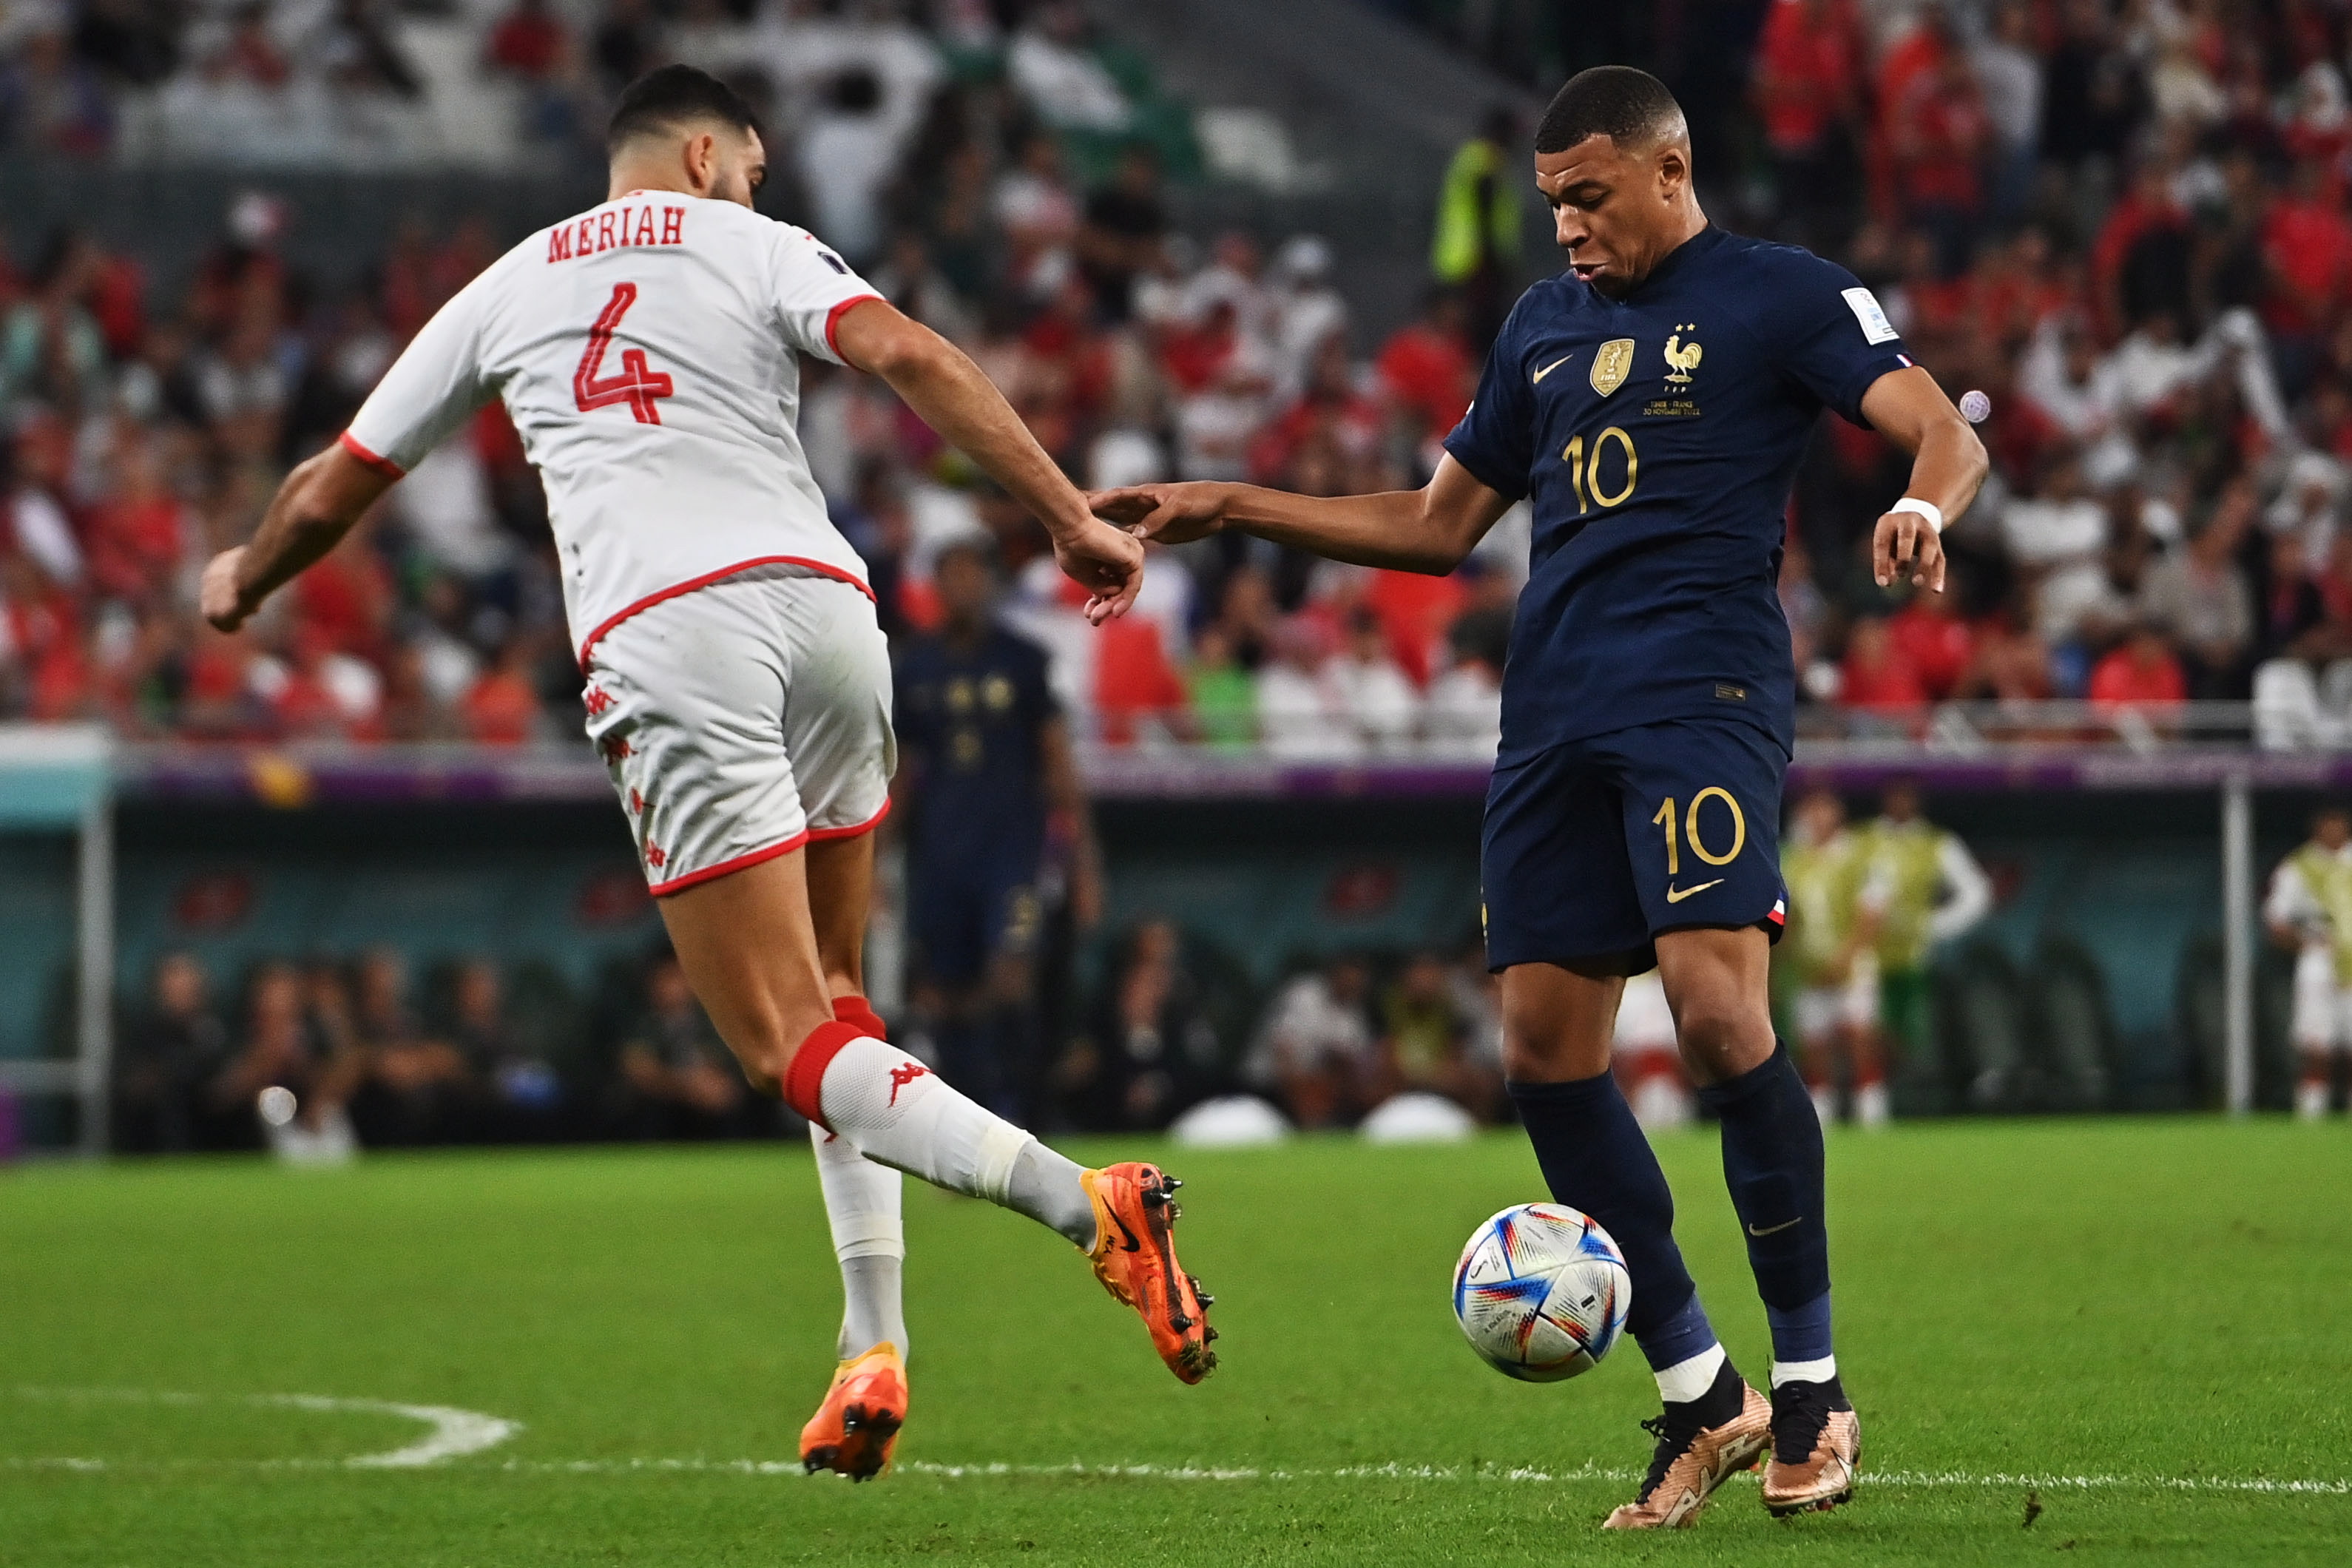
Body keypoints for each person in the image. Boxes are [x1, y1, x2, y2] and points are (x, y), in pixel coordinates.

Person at [196, 65, 1211, 1486]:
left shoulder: (507, 283)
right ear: (697, 150)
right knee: (843, 1008)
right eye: (750, 160)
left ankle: (1087, 1204)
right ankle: (874, 1345)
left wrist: (245, 575)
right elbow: (912, 356)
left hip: (674, 634)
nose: (759, 182)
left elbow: (334, 485)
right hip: (829, 616)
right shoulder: (753, 245)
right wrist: (1066, 518)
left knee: (781, 1045)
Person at [1094, 67, 1988, 1528]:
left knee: (1716, 1016)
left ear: (1669, 171)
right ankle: (1706, 1393)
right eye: (1551, 201)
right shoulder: (1541, 326)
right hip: (1552, 718)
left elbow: (1945, 429)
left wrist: (1916, 504)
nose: (1566, 225)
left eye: (1589, 196)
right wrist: (1227, 504)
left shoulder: (1783, 295)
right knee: (1545, 1054)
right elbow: (1439, 525)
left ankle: (1816, 1385)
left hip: (1703, 697)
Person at [893, 538, 1101, 1121]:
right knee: (944, 992)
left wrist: (1085, 866)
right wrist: (877, 863)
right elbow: (902, 775)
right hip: (941, 855)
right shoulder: (917, 666)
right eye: (949, 575)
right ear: (936, 588)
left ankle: (1026, 1113)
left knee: (1011, 976)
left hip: (1013, 852)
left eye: (971, 574)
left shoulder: (1023, 660)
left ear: (988, 583)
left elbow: (1059, 766)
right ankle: (967, 1123)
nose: (962, 586)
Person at [1861, 780, 1991, 1090]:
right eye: (1895, 796)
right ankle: (1873, 1101)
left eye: (1906, 797)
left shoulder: (1936, 843)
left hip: (1914, 957)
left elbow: (1977, 893)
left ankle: (1919, 1095)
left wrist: (1935, 925)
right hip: (1865, 956)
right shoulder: (1864, 840)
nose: (1900, 803)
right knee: (1867, 1032)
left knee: (1916, 1031)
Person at [1779, 788, 1889, 1126]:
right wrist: (1790, 954)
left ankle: (1871, 1106)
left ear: (1837, 812)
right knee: (1814, 1042)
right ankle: (1820, 1110)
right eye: (1810, 809)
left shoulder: (1859, 854)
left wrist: (1846, 957)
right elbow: (1786, 914)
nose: (1817, 817)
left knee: (1859, 1034)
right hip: (1809, 968)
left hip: (1853, 965)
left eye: (1824, 808)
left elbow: (1871, 912)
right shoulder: (1792, 860)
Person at [2263, 805, 2352, 1120]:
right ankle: (2312, 1115)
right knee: (2317, 1045)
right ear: (2317, 827)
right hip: (2320, 962)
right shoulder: (2299, 867)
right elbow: (2276, 920)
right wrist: (2306, 944)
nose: (2334, 830)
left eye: (2339, 823)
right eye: (2327, 823)